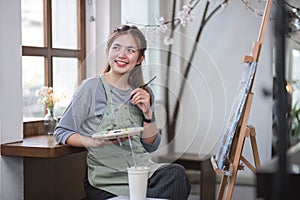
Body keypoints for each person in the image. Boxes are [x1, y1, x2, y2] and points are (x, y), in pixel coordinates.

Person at [54, 25, 191, 200]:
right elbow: (61, 131)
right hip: (106, 181)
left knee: (176, 174)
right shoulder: (92, 87)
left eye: (130, 50)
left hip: (142, 174)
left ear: (140, 58)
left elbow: (151, 145)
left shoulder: (143, 92)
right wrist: (94, 143)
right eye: (116, 48)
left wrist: (147, 113)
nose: (121, 55)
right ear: (107, 51)